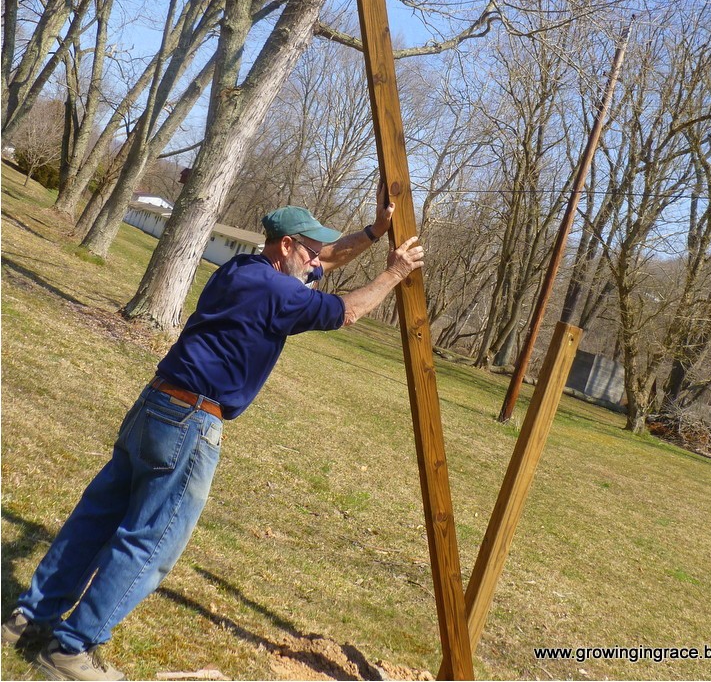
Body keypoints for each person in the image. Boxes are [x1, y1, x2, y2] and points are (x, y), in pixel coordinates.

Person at [2, 186, 422, 682]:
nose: (318, 259)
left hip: (156, 403)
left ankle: (28, 618)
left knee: (97, 517)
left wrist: (374, 232)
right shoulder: (277, 291)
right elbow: (347, 310)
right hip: (191, 422)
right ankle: (71, 650)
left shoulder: (242, 270)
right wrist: (395, 272)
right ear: (286, 245)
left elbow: (327, 260)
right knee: (149, 542)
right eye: (309, 249)